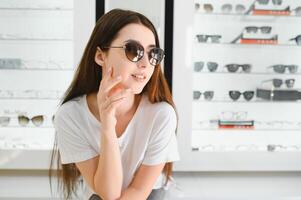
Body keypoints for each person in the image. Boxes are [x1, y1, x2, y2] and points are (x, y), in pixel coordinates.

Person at [49, 8, 180, 200]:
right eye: (133, 50)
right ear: (101, 56)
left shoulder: (162, 114)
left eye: (153, 53)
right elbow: (108, 193)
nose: (145, 63)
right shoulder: (70, 115)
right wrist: (107, 125)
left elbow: (139, 191)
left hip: (152, 193)